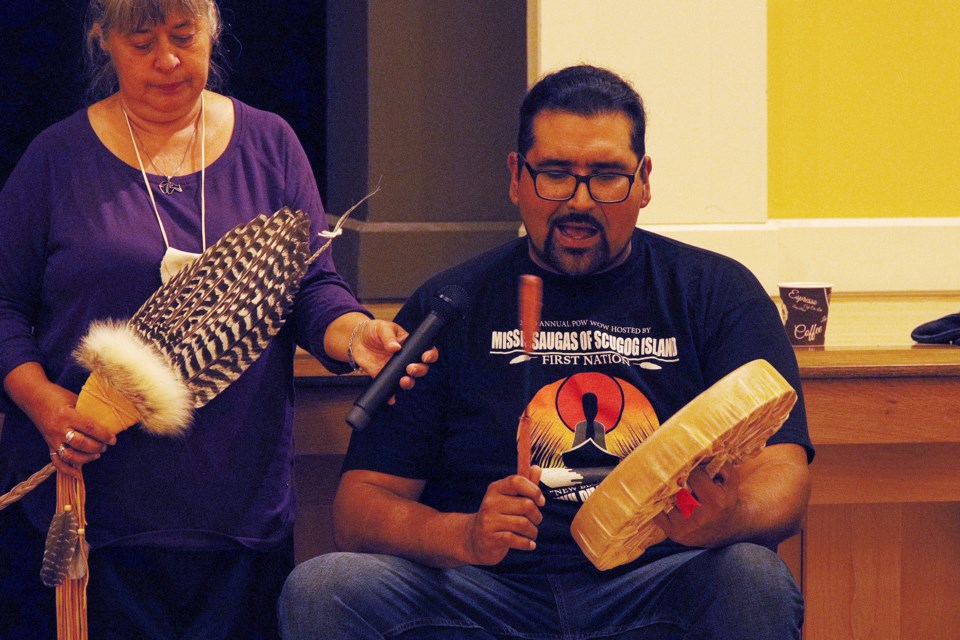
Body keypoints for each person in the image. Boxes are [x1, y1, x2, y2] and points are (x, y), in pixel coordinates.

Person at [279, 64, 815, 639]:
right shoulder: (449, 303)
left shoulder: (715, 292)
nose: (579, 202)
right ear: (515, 176)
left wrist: (724, 518)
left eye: (607, 176)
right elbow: (358, 508)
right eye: (555, 174)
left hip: (654, 579)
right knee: (323, 590)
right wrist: (462, 535)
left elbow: (783, 475)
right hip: (485, 594)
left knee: (752, 577)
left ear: (644, 180)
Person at [0, 1, 433, 638]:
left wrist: (356, 334)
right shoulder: (55, 158)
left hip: (237, 512)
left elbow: (313, 289)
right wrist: (44, 404)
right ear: (104, 41)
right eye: (142, 41)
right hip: (91, 514)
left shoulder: (270, 145)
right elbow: (4, 305)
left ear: (213, 32)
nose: (168, 60)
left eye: (184, 36)